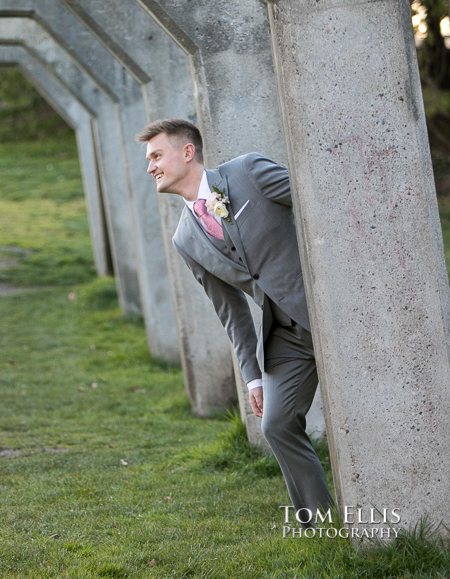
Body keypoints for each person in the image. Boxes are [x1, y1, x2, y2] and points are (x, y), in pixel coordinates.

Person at [138, 118, 333, 523]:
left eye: (156, 155)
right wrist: (253, 377)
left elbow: (319, 195)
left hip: (331, 311)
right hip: (285, 334)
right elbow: (230, 310)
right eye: (148, 160)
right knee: (276, 425)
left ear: (187, 152)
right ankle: (321, 524)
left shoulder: (248, 171)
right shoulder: (185, 239)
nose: (151, 167)